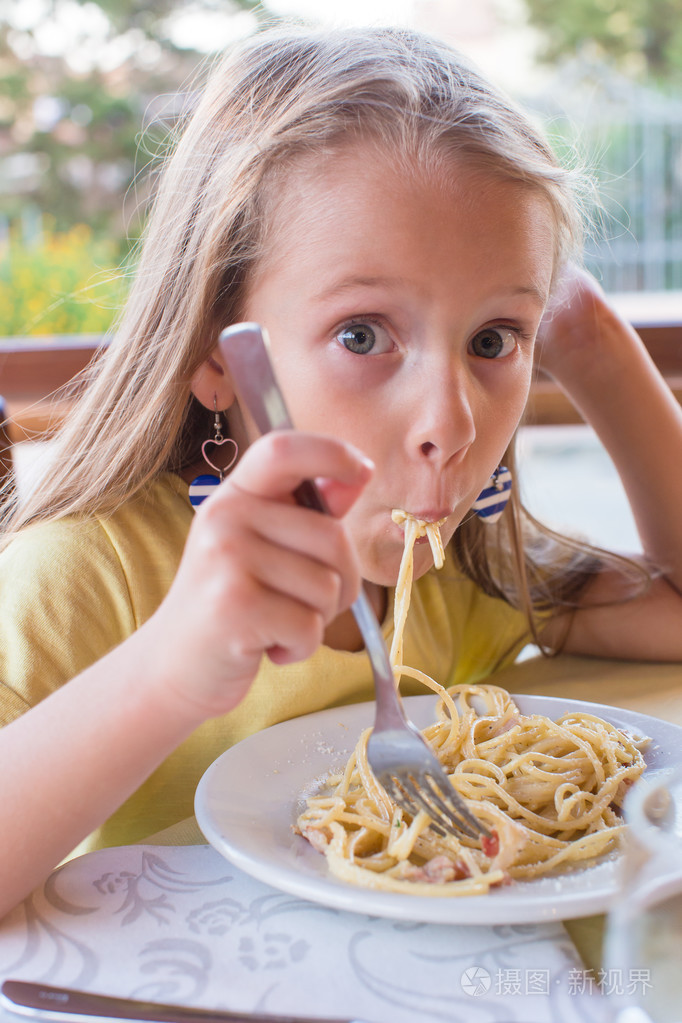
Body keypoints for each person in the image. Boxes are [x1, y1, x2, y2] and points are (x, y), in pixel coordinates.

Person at [1, 23, 681, 919]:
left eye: (492, 339)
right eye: (362, 335)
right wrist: (171, 668)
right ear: (216, 354)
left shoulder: (466, 575)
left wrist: (598, 349)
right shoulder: (86, 574)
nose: (449, 422)